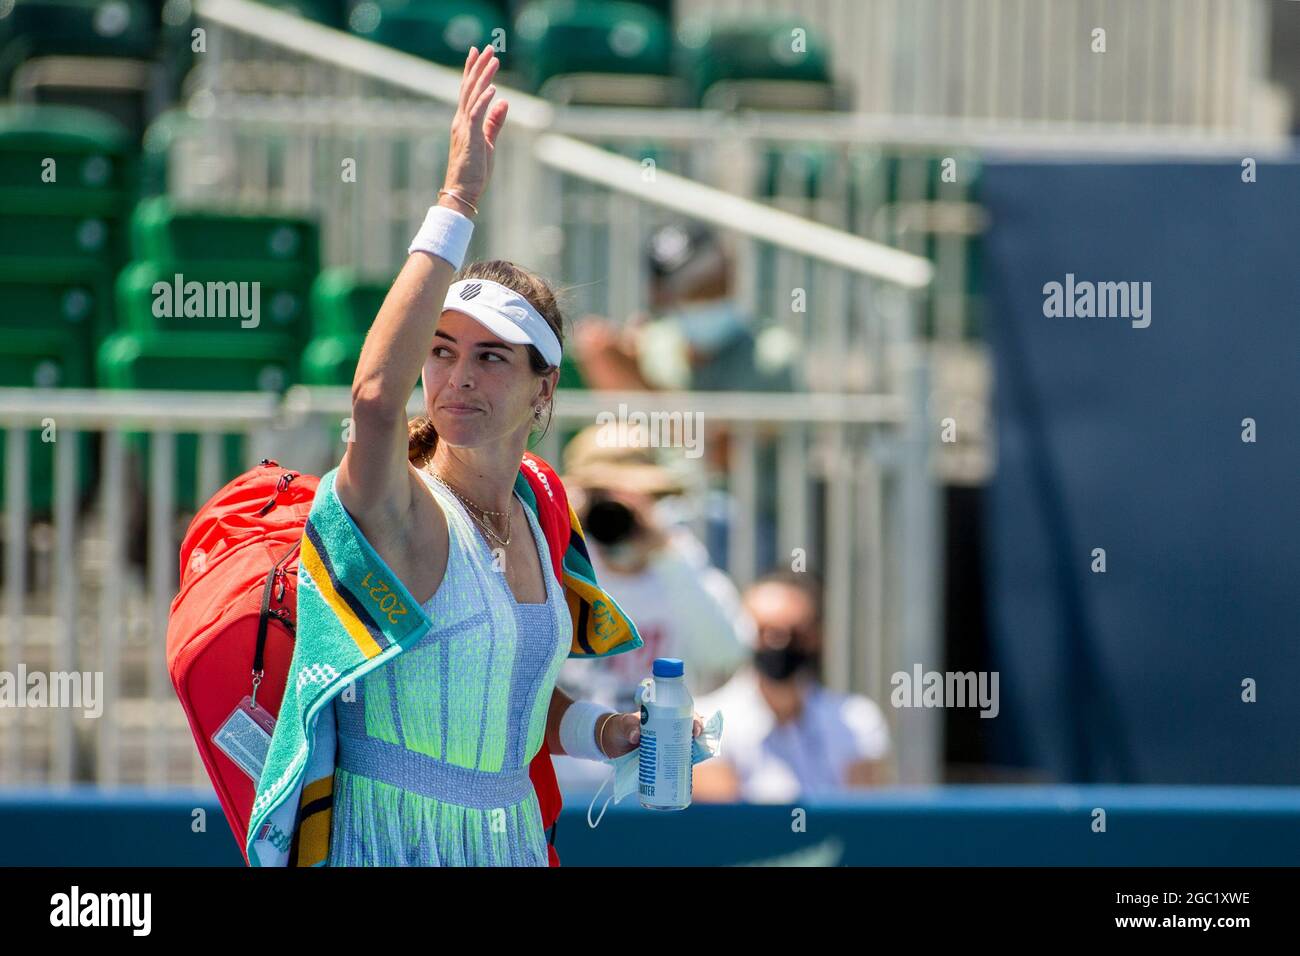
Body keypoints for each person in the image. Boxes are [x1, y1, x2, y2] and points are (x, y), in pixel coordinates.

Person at [326, 45, 702, 865]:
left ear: (543, 393)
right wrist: (456, 200)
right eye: (443, 349)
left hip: (514, 845)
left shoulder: (537, 512)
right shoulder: (402, 505)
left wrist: (607, 729)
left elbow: (512, 688)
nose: (456, 377)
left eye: (492, 357)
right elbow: (372, 403)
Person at [550, 421, 754, 795]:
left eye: (635, 493)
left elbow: (728, 653)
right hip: (565, 789)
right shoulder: (557, 561)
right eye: (602, 494)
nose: (617, 507)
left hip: (655, 788)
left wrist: (666, 551)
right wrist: (568, 531)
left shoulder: (678, 560)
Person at [693, 570, 890, 803]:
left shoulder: (858, 720)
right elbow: (727, 828)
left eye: (794, 634)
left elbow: (862, 821)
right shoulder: (705, 723)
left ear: (816, 636)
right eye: (764, 631)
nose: (778, 643)